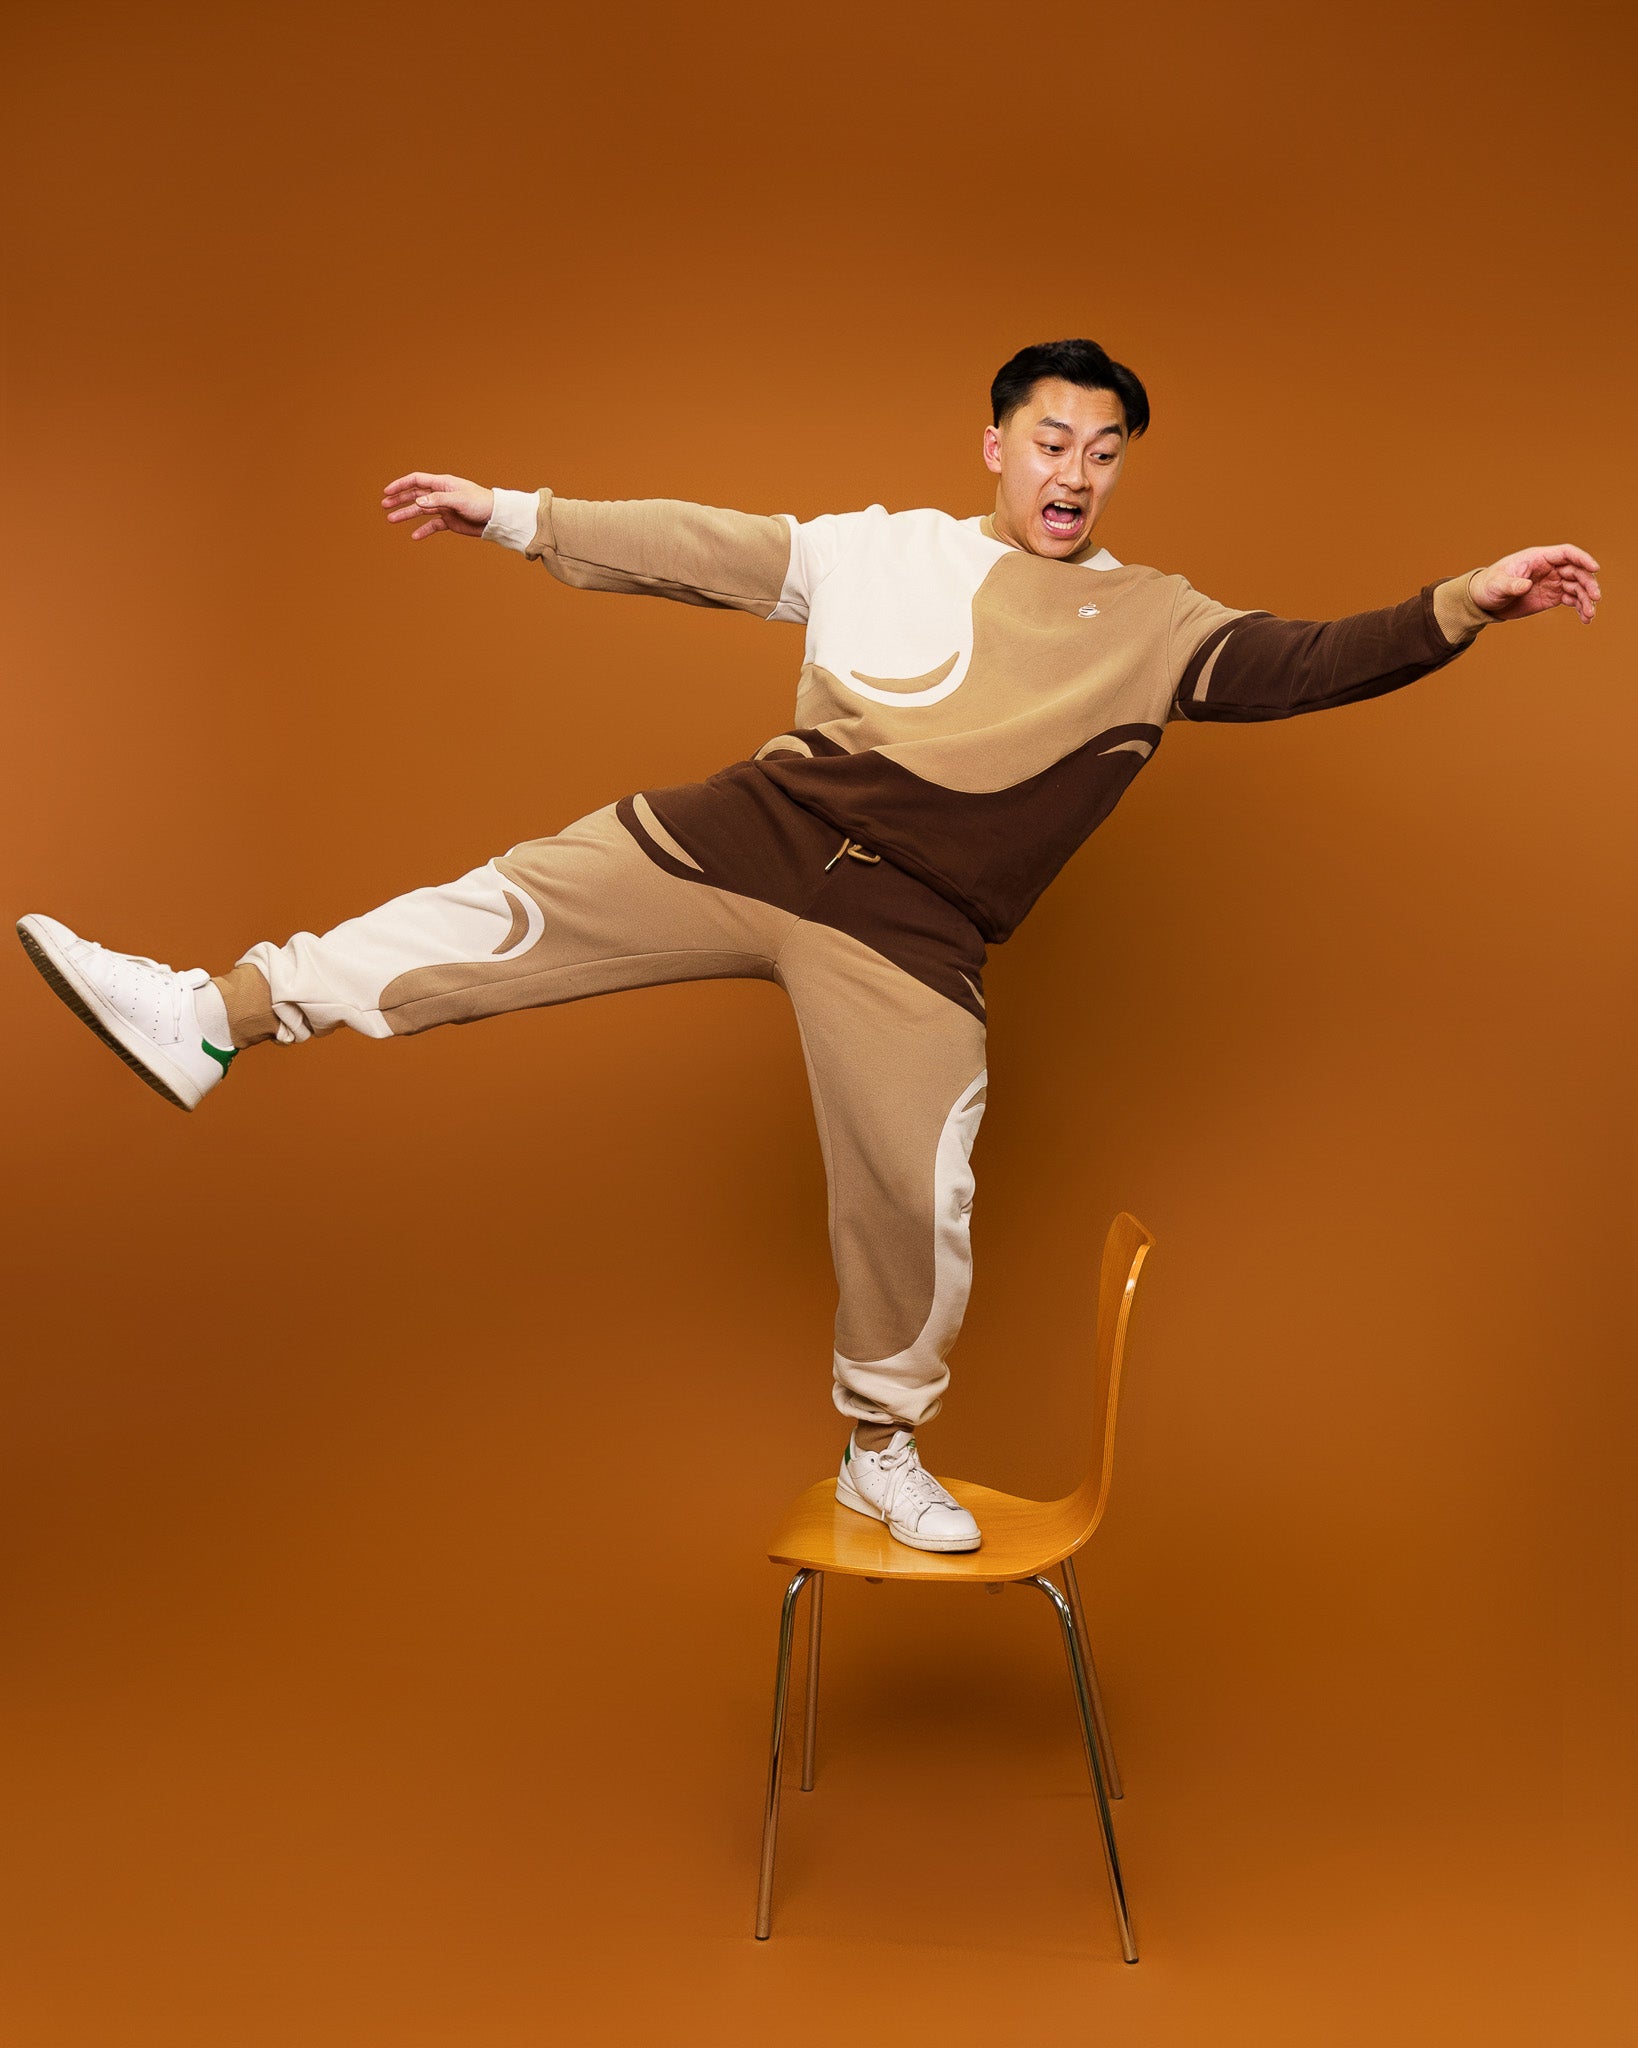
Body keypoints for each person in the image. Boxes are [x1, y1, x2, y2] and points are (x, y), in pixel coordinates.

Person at [16, 339, 1602, 1555]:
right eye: (1050, 439)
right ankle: (211, 1014)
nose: (1073, 471)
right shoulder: (878, 549)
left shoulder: (1155, 621)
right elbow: (703, 547)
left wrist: (1465, 598)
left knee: (922, 1187)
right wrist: (510, 514)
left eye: (1103, 451)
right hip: (752, 838)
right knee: (492, 910)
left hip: (909, 936)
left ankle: (878, 1452)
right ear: (994, 446)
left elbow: (1307, 661)